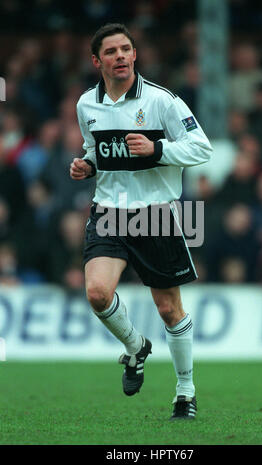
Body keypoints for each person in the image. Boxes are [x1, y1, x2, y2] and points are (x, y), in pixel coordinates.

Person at [70, 23, 212, 420]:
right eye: (111, 51)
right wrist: (87, 165)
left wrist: (158, 148)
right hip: (109, 213)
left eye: (126, 49)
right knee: (98, 294)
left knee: (169, 310)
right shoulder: (87, 105)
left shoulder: (163, 101)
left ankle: (185, 391)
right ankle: (136, 347)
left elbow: (202, 146)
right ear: (97, 61)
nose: (120, 56)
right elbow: (95, 149)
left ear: (135, 55)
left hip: (155, 215)